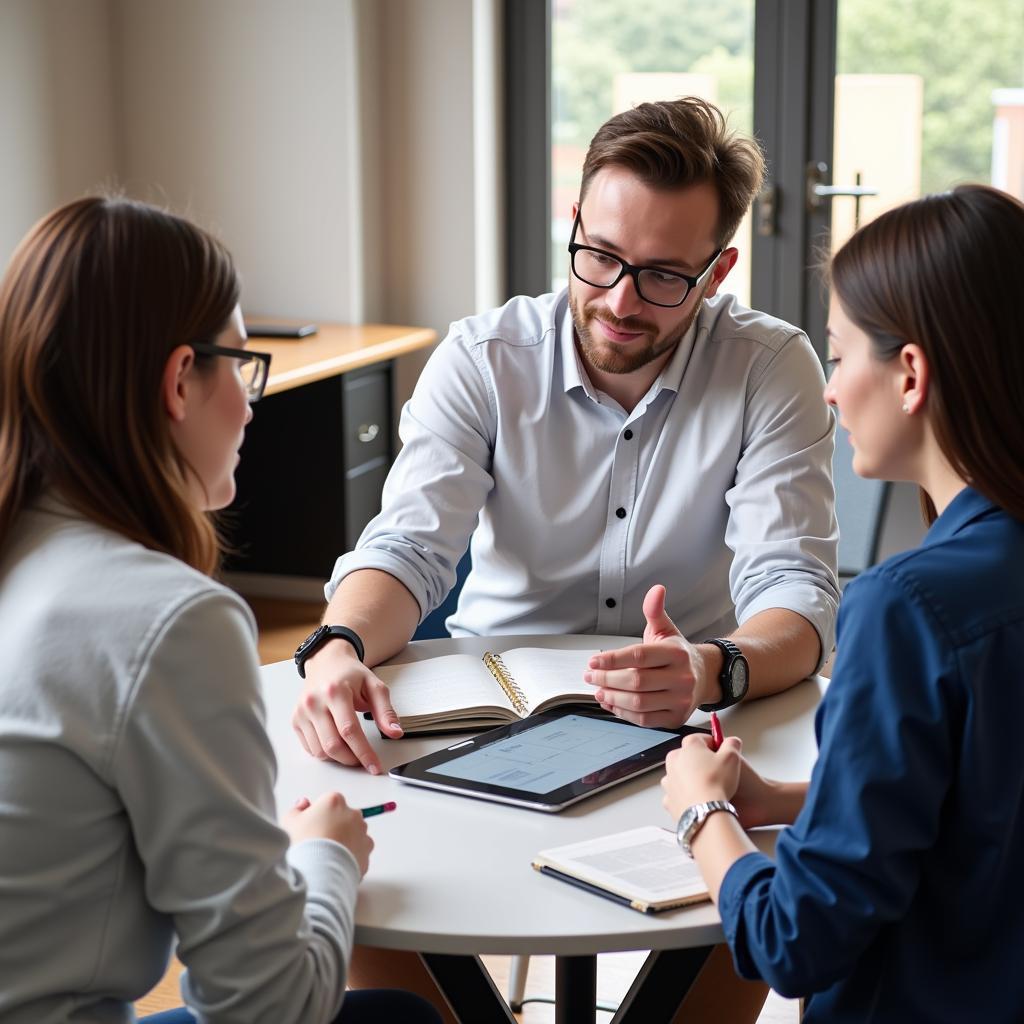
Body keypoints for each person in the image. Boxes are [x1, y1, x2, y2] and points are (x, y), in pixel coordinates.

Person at [292, 97, 840, 777]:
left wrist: (710, 667)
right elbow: (409, 546)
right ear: (575, 224)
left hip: (690, 719)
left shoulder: (770, 365)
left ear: (717, 273)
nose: (619, 301)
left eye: (664, 276)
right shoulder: (483, 358)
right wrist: (337, 645)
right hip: (488, 705)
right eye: (601, 256)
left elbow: (794, 588)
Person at [0, 197, 440, 1024]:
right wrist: (327, 858)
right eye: (241, 364)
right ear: (178, 381)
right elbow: (265, 1007)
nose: (248, 401)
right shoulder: (170, 620)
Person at [661, 183, 1024, 1022]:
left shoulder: (908, 608)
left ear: (909, 374)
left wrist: (702, 812)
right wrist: (791, 802)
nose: (827, 390)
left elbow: (794, 942)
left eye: (838, 352)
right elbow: (980, 808)